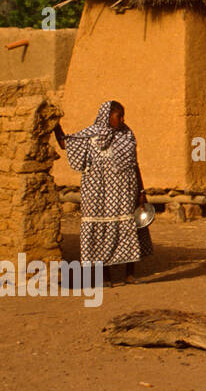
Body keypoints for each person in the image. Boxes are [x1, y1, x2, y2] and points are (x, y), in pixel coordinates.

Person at [54, 100, 153, 286]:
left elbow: (134, 165)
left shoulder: (127, 135)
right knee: (101, 234)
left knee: (127, 229)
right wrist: (54, 126)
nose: (122, 119)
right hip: (98, 194)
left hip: (124, 192)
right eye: (119, 116)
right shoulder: (90, 137)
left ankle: (129, 275)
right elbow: (65, 144)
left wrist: (141, 190)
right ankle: (106, 278)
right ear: (107, 116)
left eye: (123, 115)